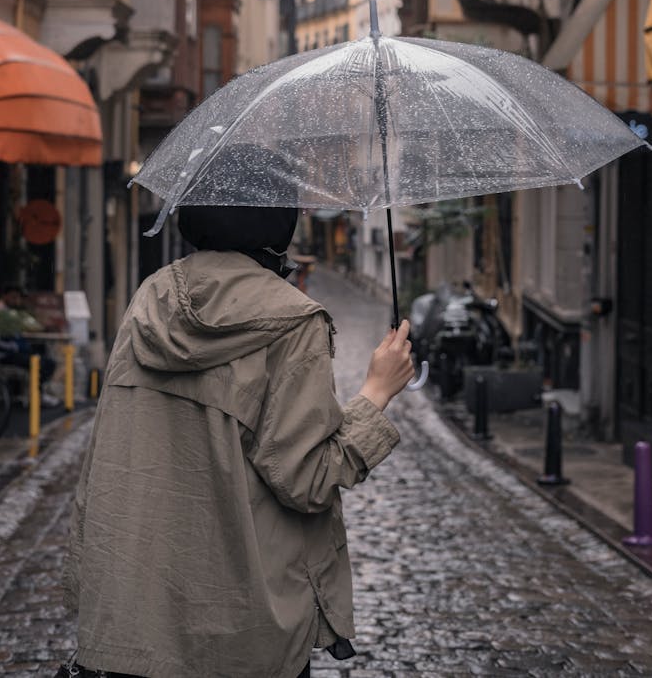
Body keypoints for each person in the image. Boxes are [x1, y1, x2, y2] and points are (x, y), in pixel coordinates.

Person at [62, 201, 414, 678]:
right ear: (279, 225)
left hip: (132, 620)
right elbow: (307, 479)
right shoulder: (295, 321)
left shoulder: (150, 299)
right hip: (243, 632)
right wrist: (376, 393)